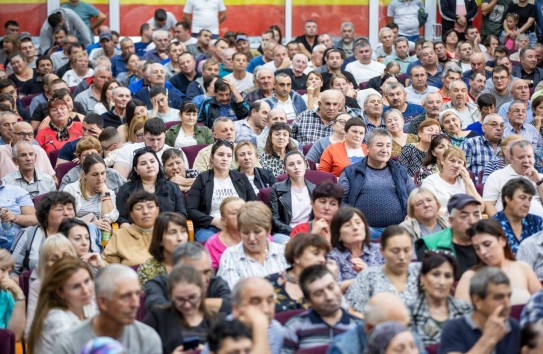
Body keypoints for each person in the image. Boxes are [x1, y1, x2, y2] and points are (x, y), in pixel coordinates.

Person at [53, 264, 162, 353]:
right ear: (102, 302)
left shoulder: (148, 339)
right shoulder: (68, 343)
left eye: (137, 294)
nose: (136, 304)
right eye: (125, 296)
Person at [340, 128, 416, 237]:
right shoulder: (351, 171)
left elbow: (414, 196)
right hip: (363, 231)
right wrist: (353, 222)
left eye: (388, 145)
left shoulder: (400, 171)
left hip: (398, 229)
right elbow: (340, 201)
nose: (385, 149)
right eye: (380, 145)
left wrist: (410, 216)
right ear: (368, 148)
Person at [10, 191, 101, 276]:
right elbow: (12, 271)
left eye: (70, 209)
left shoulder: (82, 233)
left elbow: (95, 267)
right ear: (45, 214)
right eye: (59, 209)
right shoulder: (28, 234)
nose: (66, 213)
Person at [455, 219, 541, 305]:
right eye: (477, 248)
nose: (482, 252)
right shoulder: (469, 277)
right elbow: (461, 314)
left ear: (502, 241)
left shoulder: (522, 268)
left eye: (487, 244)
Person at [439, 267, 521, 354]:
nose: (507, 304)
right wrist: (488, 339)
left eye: (509, 296)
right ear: (477, 301)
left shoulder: (513, 326)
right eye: (498, 297)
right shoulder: (454, 328)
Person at [188, 140, 257, 242]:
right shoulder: (202, 179)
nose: (225, 159)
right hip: (210, 227)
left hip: (240, 226)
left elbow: (254, 204)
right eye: (220, 155)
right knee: (213, 243)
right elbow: (191, 210)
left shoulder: (241, 178)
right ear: (212, 157)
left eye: (229, 156)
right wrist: (215, 221)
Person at [144, 264, 220, 354]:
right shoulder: (157, 317)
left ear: (202, 292)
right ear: (171, 296)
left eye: (192, 297)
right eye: (180, 299)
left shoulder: (217, 320)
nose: (187, 305)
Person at [282, 265, 359, 353]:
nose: (329, 297)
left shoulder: (358, 326)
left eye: (331, 287)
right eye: (319, 293)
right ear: (308, 301)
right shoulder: (295, 326)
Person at [27, 257, 96, 354]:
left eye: (87, 281)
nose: (85, 290)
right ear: (60, 292)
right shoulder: (58, 321)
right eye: (76, 286)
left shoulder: (87, 305)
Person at [346, 225, 421, 312]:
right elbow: (352, 311)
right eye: (395, 251)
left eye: (407, 250)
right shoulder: (368, 276)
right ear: (382, 251)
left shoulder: (421, 272)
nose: (402, 256)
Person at [144, 242, 232, 315]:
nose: (202, 279)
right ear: (175, 270)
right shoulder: (158, 284)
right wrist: (211, 305)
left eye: (206, 272)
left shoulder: (215, 282)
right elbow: (158, 309)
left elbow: (231, 306)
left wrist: (186, 305)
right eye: (194, 274)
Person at [217, 201, 288, 289]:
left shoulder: (283, 252)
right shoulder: (230, 256)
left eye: (257, 232)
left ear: (268, 230)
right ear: (239, 232)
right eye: (245, 233)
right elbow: (231, 293)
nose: (251, 238)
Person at [410, 251, 472, 346]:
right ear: (422, 278)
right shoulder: (409, 314)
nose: (442, 282)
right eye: (435, 274)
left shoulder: (466, 310)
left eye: (447, 276)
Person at [116, 147, 186, 227]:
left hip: (166, 232)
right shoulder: (126, 189)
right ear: (136, 169)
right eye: (143, 163)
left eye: (152, 161)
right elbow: (121, 217)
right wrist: (129, 230)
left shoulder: (172, 187)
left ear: (158, 164)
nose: (149, 166)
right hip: (137, 233)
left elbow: (181, 213)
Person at [415, 193, 481, 277]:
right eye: (464, 216)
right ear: (451, 221)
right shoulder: (430, 245)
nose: (472, 221)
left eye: (476, 215)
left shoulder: (487, 241)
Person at [265, 233, 330, 313]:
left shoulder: (326, 284)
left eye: (324, 256)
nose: (322, 260)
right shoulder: (269, 283)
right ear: (297, 257)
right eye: (316, 253)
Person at [328, 206, 384, 292]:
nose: (355, 227)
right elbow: (332, 290)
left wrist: (367, 272)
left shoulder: (380, 250)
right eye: (347, 225)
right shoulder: (332, 257)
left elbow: (391, 282)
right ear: (338, 235)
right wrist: (364, 277)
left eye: (358, 223)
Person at [484, 140, 543, 217]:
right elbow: (488, 204)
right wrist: (500, 223)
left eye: (529, 156)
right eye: (521, 157)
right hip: (508, 225)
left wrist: (538, 181)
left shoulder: (540, 177)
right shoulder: (496, 176)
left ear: (534, 158)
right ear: (511, 159)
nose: (526, 161)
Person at [63, 154, 119, 234]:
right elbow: (65, 219)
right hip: (76, 233)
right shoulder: (70, 190)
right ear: (84, 174)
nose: (100, 178)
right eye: (95, 174)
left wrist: (105, 193)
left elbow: (111, 218)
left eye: (103, 173)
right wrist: (91, 225)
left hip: (101, 235)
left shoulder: (108, 192)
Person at [102, 191, 160, 266]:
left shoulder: (166, 232)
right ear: (131, 214)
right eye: (139, 208)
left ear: (157, 210)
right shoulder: (120, 235)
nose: (145, 212)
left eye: (150, 207)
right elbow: (108, 265)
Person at [421, 146, 483, 214]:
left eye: (459, 162)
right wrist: (455, 217)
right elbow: (428, 208)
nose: (456, 165)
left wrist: (468, 183)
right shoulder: (430, 181)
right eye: (452, 161)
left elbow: (480, 208)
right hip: (439, 221)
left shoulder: (464, 182)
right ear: (442, 161)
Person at [269, 150, 314, 240]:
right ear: (285, 169)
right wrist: (294, 231)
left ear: (305, 165)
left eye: (299, 163)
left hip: (309, 232)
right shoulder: (277, 189)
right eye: (291, 164)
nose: (296, 167)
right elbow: (274, 219)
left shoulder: (315, 189)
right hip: (285, 233)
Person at [492, 178, 543, 255]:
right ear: (507, 198)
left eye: (529, 199)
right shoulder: (494, 225)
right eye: (522, 198)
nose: (527, 204)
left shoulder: (536, 221)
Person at [137, 212, 188, 286]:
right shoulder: (148, 269)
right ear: (160, 239)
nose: (180, 238)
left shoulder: (196, 262)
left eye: (183, 231)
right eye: (172, 232)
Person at [204, 197, 245, 270]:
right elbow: (210, 275)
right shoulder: (212, 244)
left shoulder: (260, 235)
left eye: (244, 211)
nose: (241, 215)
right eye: (235, 213)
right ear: (223, 220)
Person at [0, 249, 25, 341]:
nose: (7, 277)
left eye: (9, 273)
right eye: (2, 269)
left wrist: (19, 294)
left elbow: (16, 335)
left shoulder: (6, 297)